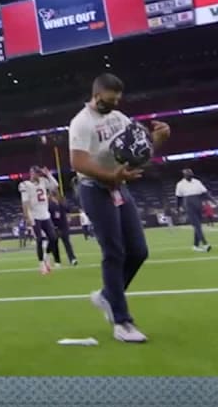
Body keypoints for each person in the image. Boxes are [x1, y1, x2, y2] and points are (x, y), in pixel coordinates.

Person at [69, 73, 170, 344]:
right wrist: (110, 176)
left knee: (138, 251)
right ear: (96, 95)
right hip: (94, 188)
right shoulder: (82, 122)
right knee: (114, 252)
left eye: (117, 100)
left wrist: (158, 140)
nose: (114, 104)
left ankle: (107, 296)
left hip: (118, 186)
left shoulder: (119, 118)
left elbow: (139, 155)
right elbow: (78, 162)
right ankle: (122, 322)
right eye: (110, 100)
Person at [20, 166, 60, 274]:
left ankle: (46, 255)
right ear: (31, 173)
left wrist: (48, 174)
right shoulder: (25, 185)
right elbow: (24, 202)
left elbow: (55, 185)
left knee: (53, 238)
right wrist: (27, 217)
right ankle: (41, 264)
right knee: (39, 240)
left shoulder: (43, 181)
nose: (37, 175)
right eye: (35, 172)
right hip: (34, 215)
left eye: (38, 173)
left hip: (45, 215)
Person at [175, 169, 213, 253]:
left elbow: (205, 192)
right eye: (188, 175)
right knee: (197, 225)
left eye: (191, 174)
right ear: (184, 175)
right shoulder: (180, 184)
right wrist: (177, 208)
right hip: (189, 204)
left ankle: (195, 246)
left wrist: (213, 200)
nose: (190, 176)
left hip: (198, 203)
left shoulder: (197, 182)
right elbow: (178, 197)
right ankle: (205, 244)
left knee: (197, 226)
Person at [49, 185, 78, 266]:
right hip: (55, 227)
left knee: (67, 243)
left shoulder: (61, 202)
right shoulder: (50, 204)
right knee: (55, 244)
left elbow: (68, 209)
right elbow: (49, 215)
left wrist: (62, 203)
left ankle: (72, 259)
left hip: (63, 226)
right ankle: (57, 261)